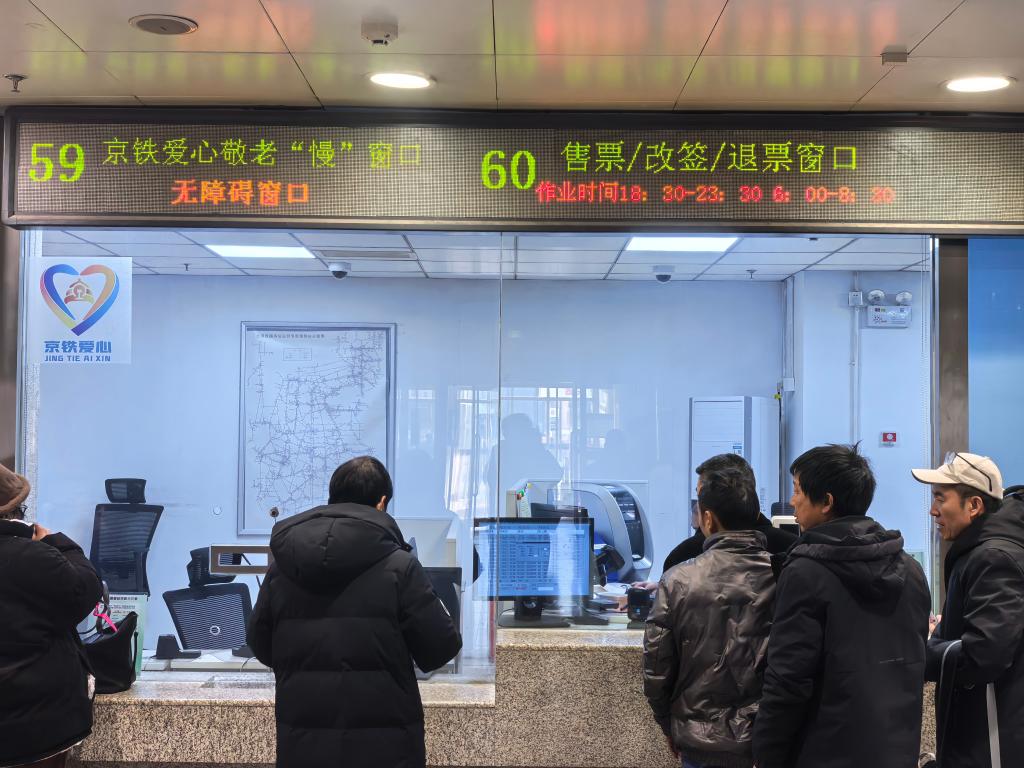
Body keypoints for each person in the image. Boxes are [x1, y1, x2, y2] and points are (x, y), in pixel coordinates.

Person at [247, 456, 462, 768]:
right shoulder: (400, 567)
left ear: (333, 497)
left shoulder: (282, 567)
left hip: (304, 745)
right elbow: (439, 648)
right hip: (386, 748)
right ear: (382, 503)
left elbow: (260, 643)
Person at [752, 444, 930, 768]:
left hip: (822, 752)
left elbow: (788, 680)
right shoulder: (911, 570)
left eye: (797, 490)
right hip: (895, 750)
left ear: (827, 502)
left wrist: (765, 753)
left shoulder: (806, 573)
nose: (792, 501)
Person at [643, 466, 776, 768]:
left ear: (707, 518)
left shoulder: (679, 579)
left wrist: (668, 724)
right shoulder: (784, 573)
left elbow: (657, 666)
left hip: (698, 738)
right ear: (756, 514)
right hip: (764, 735)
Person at [912, 452, 1024, 768]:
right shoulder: (981, 552)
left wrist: (920, 653)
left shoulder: (993, 558)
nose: (933, 510)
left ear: (973, 505)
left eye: (940, 498)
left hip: (992, 739)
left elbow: (984, 655)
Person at [0, 465, 103, 768]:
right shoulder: (31, 557)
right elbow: (84, 589)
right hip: (34, 728)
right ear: (12, 513)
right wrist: (59, 544)